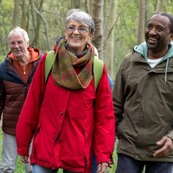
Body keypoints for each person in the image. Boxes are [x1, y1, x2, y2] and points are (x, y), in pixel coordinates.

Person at [16, 9, 115, 173]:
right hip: (46, 147)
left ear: (90, 35)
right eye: (71, 27)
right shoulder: (48, 61)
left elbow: (104, 116)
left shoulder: (97, 68)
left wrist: (103, 154)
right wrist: (23, 143)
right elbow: (32, 104)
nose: (76, 32)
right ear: (65, 32)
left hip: (77, 151)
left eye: (82, 28)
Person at [113, 12, 173, 173]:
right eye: (149, 26)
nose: (152, 32)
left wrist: (172, 138)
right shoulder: (129, 61)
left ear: (171, 36)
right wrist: (112, 137)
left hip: (163, 152)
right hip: (129, 148)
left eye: (159, 29)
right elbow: (115, 105)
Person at [0, 26, 42, 173]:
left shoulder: (42, 64)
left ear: (27, 42)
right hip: (12, 124)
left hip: (35, 125)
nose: (16, 46)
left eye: (19, 42)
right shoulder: (3, 68)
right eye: (13, 43)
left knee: (32, 167)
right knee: (6, 167)